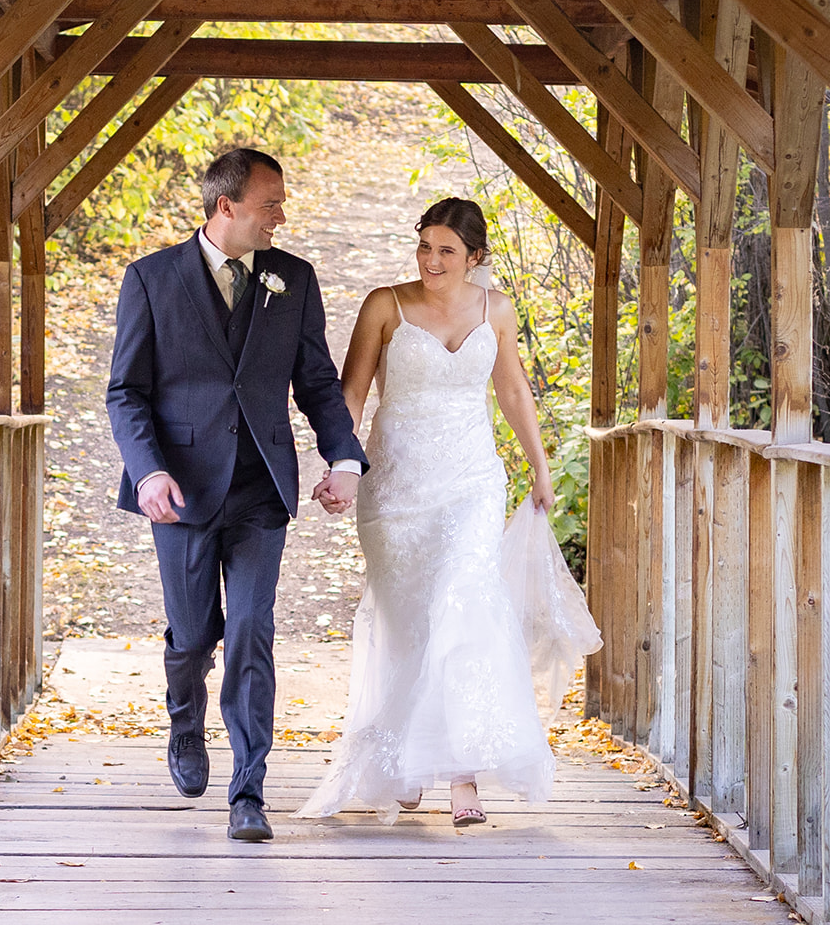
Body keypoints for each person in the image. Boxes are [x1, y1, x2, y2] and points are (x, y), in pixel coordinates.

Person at [298, 196, 597, 828]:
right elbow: (351, 393)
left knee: (465, 608)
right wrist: (340, 465)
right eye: (425, 246)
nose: (431, 261)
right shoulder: (385, 305)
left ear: (474, 257)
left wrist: (540, 467)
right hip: (397, 487)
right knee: (408, 623)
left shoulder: (497, 310)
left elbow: (511, 389)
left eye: (447, 251)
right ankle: (404, 762)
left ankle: (463, 774)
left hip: (472, 483)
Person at [106, 147, 367, 842]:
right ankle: (184, 721)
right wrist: (148, 471)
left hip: (260, 489)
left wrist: (343, 456)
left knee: (252, 628)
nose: (281, 216)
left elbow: (316, 381)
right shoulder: (151, 278)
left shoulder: (293, 278)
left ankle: (248, 791)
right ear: (227, 206)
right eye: (270, 204)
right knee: (193, 635)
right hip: (180, 491)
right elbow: (125, 392)